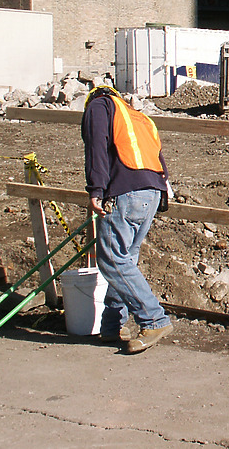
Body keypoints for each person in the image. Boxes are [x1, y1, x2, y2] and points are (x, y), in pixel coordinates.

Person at [81, 85, 173, 353]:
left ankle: (154, 319)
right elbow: (158, 157)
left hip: (126, 192)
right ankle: (112, 325)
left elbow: (96, 146)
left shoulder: (99, 107)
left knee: (112, 259)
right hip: (151, 193)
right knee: (126, 259)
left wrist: (96, 188)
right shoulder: (137, 116)